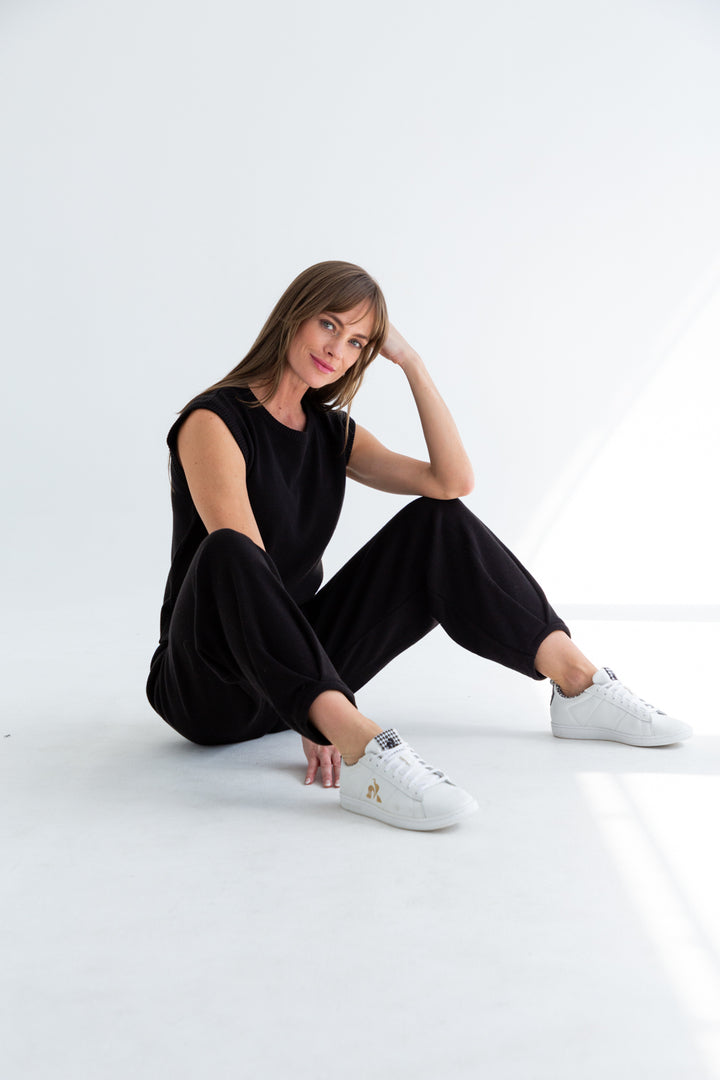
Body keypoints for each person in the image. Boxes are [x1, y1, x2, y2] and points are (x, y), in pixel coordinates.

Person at [146, 260, 692, 831]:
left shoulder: (331, 431)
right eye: (329, 324)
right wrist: (322, 703)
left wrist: (411, 362)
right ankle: (361, 748)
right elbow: (247, 570)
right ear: (293, 316)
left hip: (298, 677)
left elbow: (450, 482)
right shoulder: (214, 420)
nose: (337, 349)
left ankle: (578, 685)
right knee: (230, 550)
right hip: (210, 684)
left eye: (357, 342)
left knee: (438, 520)